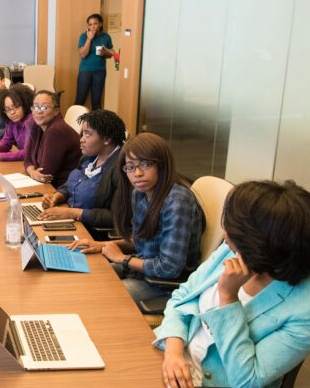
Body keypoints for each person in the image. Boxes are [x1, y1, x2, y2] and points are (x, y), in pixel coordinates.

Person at [153, 180, 310, 388]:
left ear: (265, 245)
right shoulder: (235, 250)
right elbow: (182, 297)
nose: (225, 234)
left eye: (235, 231)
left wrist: (228, 298)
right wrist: (174, 351)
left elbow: (246, 379)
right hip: (173, 359)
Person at [69, 132, 202, 305]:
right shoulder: (140, 194)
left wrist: (120, 258)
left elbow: (169, 267)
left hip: (164, 286)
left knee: (98, 296)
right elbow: (140, 240)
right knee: (84, 277)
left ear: (163, 165)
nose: (137, 173)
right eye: (130, 167)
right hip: (140, 271)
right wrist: (101, 245)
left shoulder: (177, 202)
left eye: (145, 164)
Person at [39, 109, 126, 234]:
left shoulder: (123, 169)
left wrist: (73, 213)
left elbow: (119, 216)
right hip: (73, 222)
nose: (81, 139)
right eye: (82, 134)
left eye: (87, 134)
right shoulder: (89, 157)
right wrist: (58, 196)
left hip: (92, 233)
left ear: (107, 139)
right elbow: (72, 182)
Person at [23, 90, 81, 186]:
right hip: (48, 185)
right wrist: (33, 173)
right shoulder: (36, 126)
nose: (39, 111)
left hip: (62, 188)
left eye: (44, 107)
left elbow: (45, 174)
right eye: (35, 107)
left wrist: (32, 172)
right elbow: (27, 159)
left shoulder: (56, 131)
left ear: (56, 111)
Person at [0, 85, 34, 163]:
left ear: (25, 104)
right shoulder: (12, 122)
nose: (12, 112)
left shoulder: (32, 122)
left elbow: (28, 152)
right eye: (7, 109)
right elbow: (5, 144)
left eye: (15, 107)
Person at [76, 13, 114, 109]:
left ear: (100, 24)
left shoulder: (106, 37)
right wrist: (89, 39)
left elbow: (111, 54)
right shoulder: (84, 36)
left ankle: (96, 124)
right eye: (90, 24)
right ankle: (73, 123)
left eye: (95, 24)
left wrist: (105, 53)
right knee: (80, 100)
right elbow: (83, 54)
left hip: (100, 71)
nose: (93, 26)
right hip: (85, 71)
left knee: (96, 102)